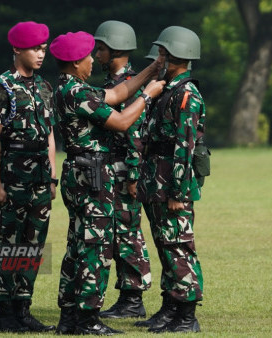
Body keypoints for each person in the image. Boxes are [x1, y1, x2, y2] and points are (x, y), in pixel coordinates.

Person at [49, 31, 165, 335]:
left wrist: (151, 71)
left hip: (79, 173)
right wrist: (147, 96)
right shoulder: (78, 93)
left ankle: (69, 318)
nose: (91, 61)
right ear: (76, 62)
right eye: (88, 56)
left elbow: (117, 94)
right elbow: (123, 120)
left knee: (76, 244)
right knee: (95, 247)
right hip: (92, 177)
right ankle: (87, 320)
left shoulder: (70, 87)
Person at [0, 21, 57, 333]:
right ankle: (4, 314)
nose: (40, 54)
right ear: (17, 49)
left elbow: (50, 134)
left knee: (32, 245)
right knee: (8, 244)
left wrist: (52, 176)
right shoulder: (1, 87)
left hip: (40, 179)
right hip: (12, 178)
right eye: (34, 49)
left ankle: (23, 309)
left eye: (43, 48)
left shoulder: (43, 86)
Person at [136, 26, 209, 333]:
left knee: (180, 246)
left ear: (179, 55)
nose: (159, 58)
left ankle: (187, 315)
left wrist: (178, 192)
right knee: (166, 245)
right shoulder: (167, 89)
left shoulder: (187, 96)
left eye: (164, 53)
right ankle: (170, 307)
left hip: (172, 185)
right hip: (157, 181)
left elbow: (185, 148)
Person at [93, 20, 151, 319]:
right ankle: (127, 297)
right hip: (110, 170)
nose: (97, 54)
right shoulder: (114, 85)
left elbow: (136, 134)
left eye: (101, 48)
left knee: (127, 234)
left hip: (123, 172)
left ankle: (132, 300)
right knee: (117, 233)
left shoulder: (128, 86)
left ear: (115, 50)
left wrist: (133, 174)